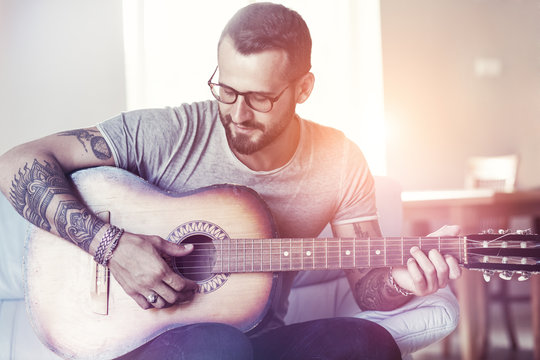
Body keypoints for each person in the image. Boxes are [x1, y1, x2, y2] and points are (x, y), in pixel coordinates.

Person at [0, 3, 461, 359]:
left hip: (258, 343)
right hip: (147, 341)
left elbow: (368, 288)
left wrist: (403, 283)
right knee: (220, 347)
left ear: (304, 89)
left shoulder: (340, 161)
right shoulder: (169, 133)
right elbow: (15, 162)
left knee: (369, 342)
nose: (237, 115)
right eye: (226, 90)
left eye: (260, 98)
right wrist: (112, 245)